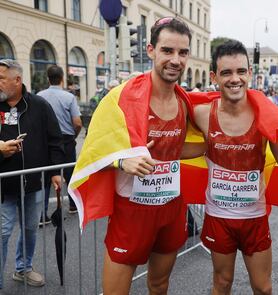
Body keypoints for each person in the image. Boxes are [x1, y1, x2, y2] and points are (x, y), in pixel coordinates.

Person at [68, 18, 193, 295]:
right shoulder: (120, 97)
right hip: (132, 212)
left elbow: (179, 147)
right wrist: (122, 161)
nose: (176, 60)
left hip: (172, 208)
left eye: (183, 53)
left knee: (160, 285)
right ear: (150, 50)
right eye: (167, 51)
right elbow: (92, 152)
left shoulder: (185, 102)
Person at [188, 40, 278, 295]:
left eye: (240, 71)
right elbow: (167, 116)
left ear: (250, 74)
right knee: (222, 283)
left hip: (254, 219)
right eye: (226, 73)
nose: (234, 79)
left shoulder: (265, 116)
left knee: (263, 288)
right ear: (214, 77)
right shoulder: (202, 114)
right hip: (219, 217)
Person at [0, 59, 64, 288]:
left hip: (33, 184)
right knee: (3, 232)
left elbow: (55, 140)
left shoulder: (39, 105)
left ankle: (23, 268)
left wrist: (55, 172)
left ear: (17, 80)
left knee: (29, 229)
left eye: (1, 79)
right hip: (3, 187)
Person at [37, 65, 82, 218]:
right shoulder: (69, 97)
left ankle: (42, 214)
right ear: (62, 78)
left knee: (46, 177)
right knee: (69, 174)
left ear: (48, 79)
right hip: (66, 139)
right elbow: (77, 123)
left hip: (46, 141)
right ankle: (73, 205)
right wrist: (73, 137)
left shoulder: (39, 96)